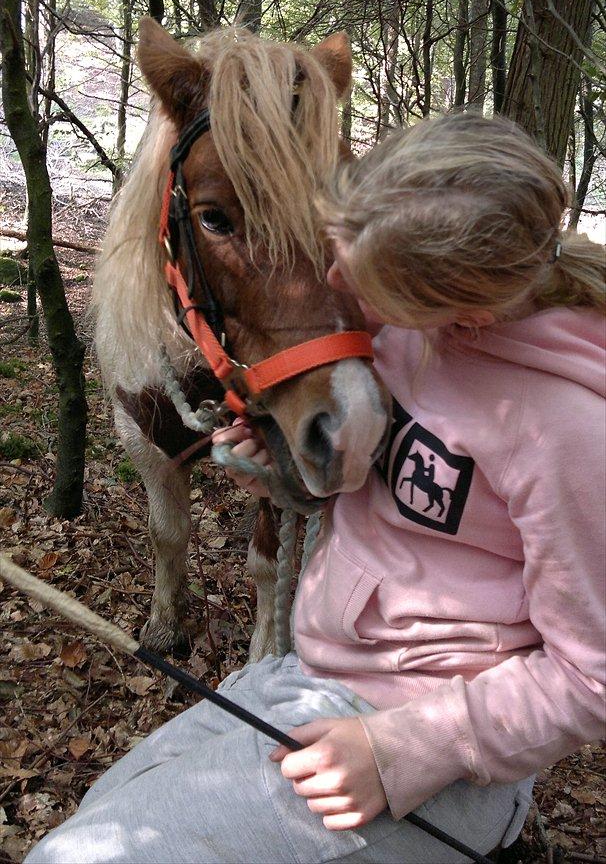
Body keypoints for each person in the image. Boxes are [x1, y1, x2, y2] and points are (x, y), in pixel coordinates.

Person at [27, 112, 605, 863]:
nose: (333, 283)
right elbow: (411, 504)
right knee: (96, 817)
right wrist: (289, 475)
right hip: (305, 674)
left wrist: (407, 751)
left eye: (360, 279)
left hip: (427, 744)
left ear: (468, 312)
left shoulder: (567, 431)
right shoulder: (408, 332)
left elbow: (591, 677)